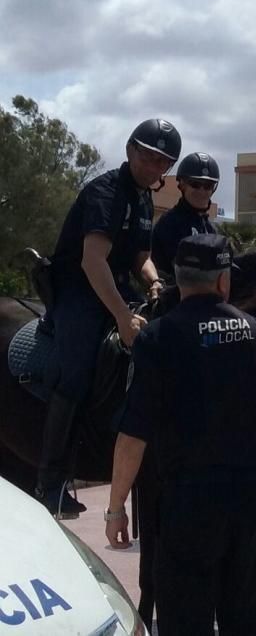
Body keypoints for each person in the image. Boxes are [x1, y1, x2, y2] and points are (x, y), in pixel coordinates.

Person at [106, 234, 256, 635]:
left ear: (179, 282)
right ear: (224, 281)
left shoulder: (156, 339)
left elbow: (133, 434)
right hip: (254, 499)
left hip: (191, 501)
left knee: (185, 618)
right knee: (245, 616)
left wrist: (116, 507)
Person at [39, 119, 180, 517]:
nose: (156, 169)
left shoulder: (143, 198)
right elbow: (92, 260)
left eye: (163, 163)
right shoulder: (105, 192)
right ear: (131, 151)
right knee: (77, 372)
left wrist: (154, 283)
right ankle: (50, 481)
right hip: (80, 290)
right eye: (150, 158)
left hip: (117, 285)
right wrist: (121, 316)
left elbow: (140, 255)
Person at [150, 151, 219, 276]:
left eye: (208, 186)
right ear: (182, 184)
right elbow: (184, 270)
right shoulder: (170, 223)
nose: (201, 191)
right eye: (195, 184)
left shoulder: (211, 229)